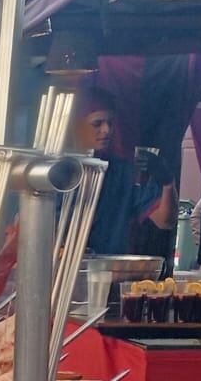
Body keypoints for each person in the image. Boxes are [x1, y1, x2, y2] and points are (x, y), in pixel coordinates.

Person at [73, 91, 176, 263]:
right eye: (97, 124)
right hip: (61, 268)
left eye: (110, 123)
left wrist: (168, 183)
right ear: (77, 127)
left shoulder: (124, 172)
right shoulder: (58, 170)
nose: (106, 130)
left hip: (109, 269)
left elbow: (165, 221)